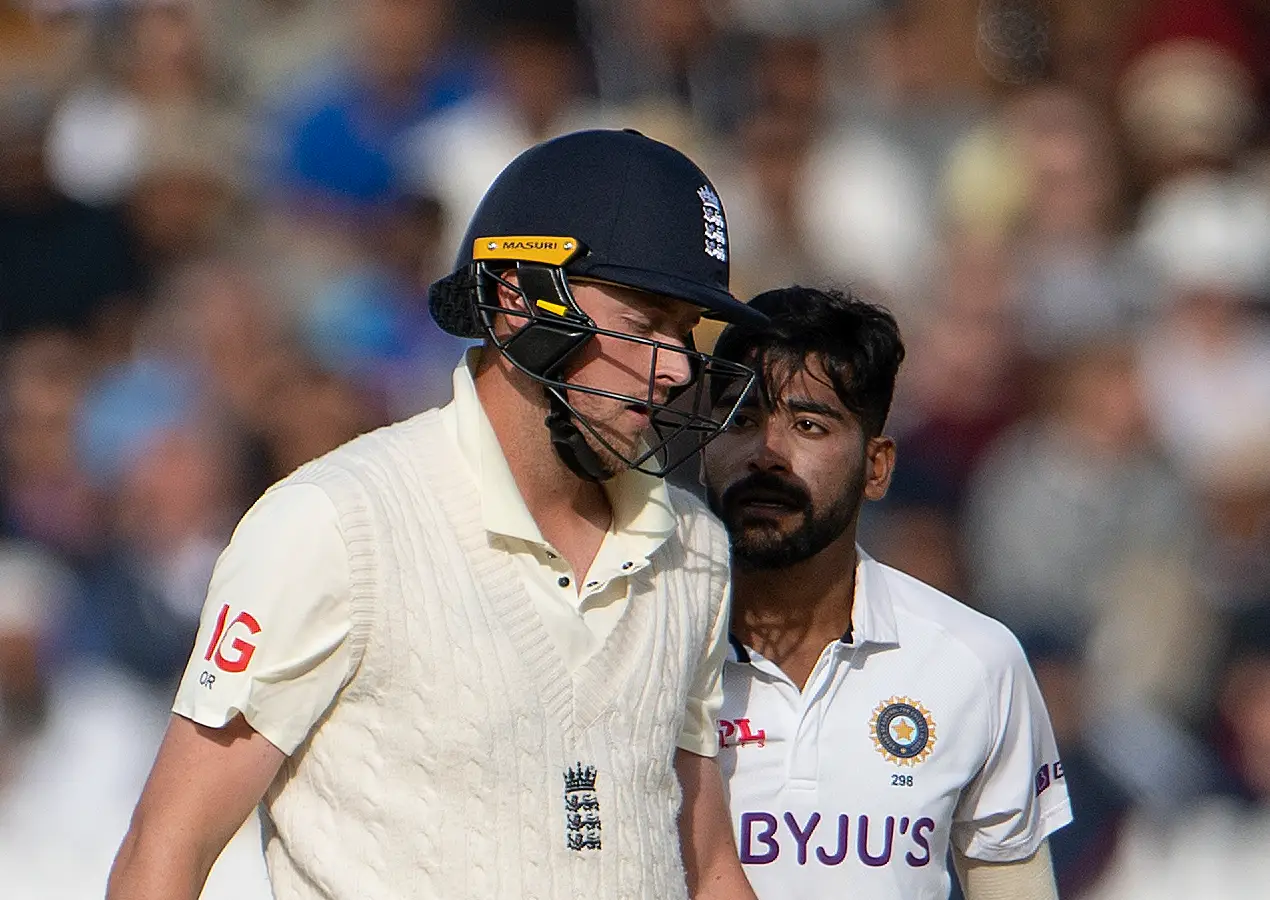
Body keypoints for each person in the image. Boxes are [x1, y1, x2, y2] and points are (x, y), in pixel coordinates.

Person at [106, 128, 767, 900]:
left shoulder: (695, 549)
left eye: (686, 331)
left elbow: (708, 860)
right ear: (520, 296)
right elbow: (166, 849)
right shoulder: (334, 524)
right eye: (647, 319)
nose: (679, 366)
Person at [700, 285, 1072, 900]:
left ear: (877, 467)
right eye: (740, 419)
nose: (766, 453)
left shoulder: (976, 661)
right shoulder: (651, 642)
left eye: (808, 424)